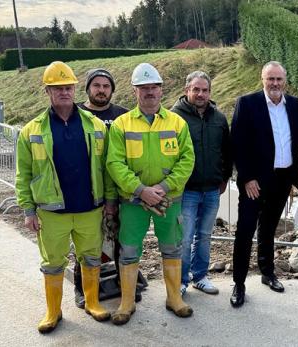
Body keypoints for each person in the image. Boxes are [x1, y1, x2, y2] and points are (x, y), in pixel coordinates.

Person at [15, 61, 115, 333]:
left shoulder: (95, 126)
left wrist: (109, 201)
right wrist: (28, 210)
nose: (64, 92)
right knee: (52, 263)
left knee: (92, 258)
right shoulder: (31, 131)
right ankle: (53, 311)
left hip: (89, 208)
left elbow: (107, 168)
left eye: (68, 87)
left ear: (75, 89)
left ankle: (92, 302)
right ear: (47, 91)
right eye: (57, 88)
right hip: (51, 212)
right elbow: (23, 174)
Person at [106, 63, 195, 325]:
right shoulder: (122, 124)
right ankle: (127, 302)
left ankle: (174, 298)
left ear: (161, 90)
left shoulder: (177, 123)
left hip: (169, 200)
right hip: (133, 201)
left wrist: (163, 188)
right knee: (129, 250)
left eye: (154, 87)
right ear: (135, 91)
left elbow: (187, 159)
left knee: (172, 247)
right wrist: (141, 190)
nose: (150, 92)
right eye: (144, 88)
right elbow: (114, 163)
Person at [230, 61, 298, 308]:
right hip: (255, 182)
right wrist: (247, 178)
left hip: (282, 179)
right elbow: (237, 144)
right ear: (262, 79)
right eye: (270, 79)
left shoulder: (294, 105)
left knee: (269, 229)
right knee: (245, 231)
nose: (275, 84)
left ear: (285, 81)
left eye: (279, 79)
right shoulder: (248, 103)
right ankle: (239, 284)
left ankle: (267, 273)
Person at [71, 68, 131, 309]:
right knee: (88, 245)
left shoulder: (122, 115)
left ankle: (124, 285)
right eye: (96, 85)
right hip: (89, 192)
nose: (101, 90)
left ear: (112, 90)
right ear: (88, 88)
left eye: (106, 86)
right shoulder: (77, 114)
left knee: (123, 242)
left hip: (121, 191)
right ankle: (82, 288)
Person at [171, 71, 232, 296]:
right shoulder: (174, 117)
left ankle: (200, 276)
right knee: (184, 238)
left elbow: (227, 150)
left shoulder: (218, 118)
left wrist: (225, 177)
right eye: (196, 89)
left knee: (205, 235)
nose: (200, 94)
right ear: (187, 90)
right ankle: (180, 280)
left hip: (212, 189)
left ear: (210, 92)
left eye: (204, 90)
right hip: (186, 190)